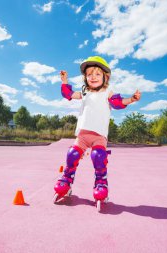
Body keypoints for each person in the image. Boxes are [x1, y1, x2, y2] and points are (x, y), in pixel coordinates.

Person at [53, 56, 141, 210]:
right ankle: (66, 181)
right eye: (89, 74)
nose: (93, 77)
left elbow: (118, 102)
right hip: (82, 134)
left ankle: (101, 184)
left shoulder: (108, 92)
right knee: (72, 155)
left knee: (98, 157)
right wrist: (64, 81)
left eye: (97, 74)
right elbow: (69, 94)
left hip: (99, 135)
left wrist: (131, 99)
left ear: (105, 77)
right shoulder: (84, 91)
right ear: (85, 78)